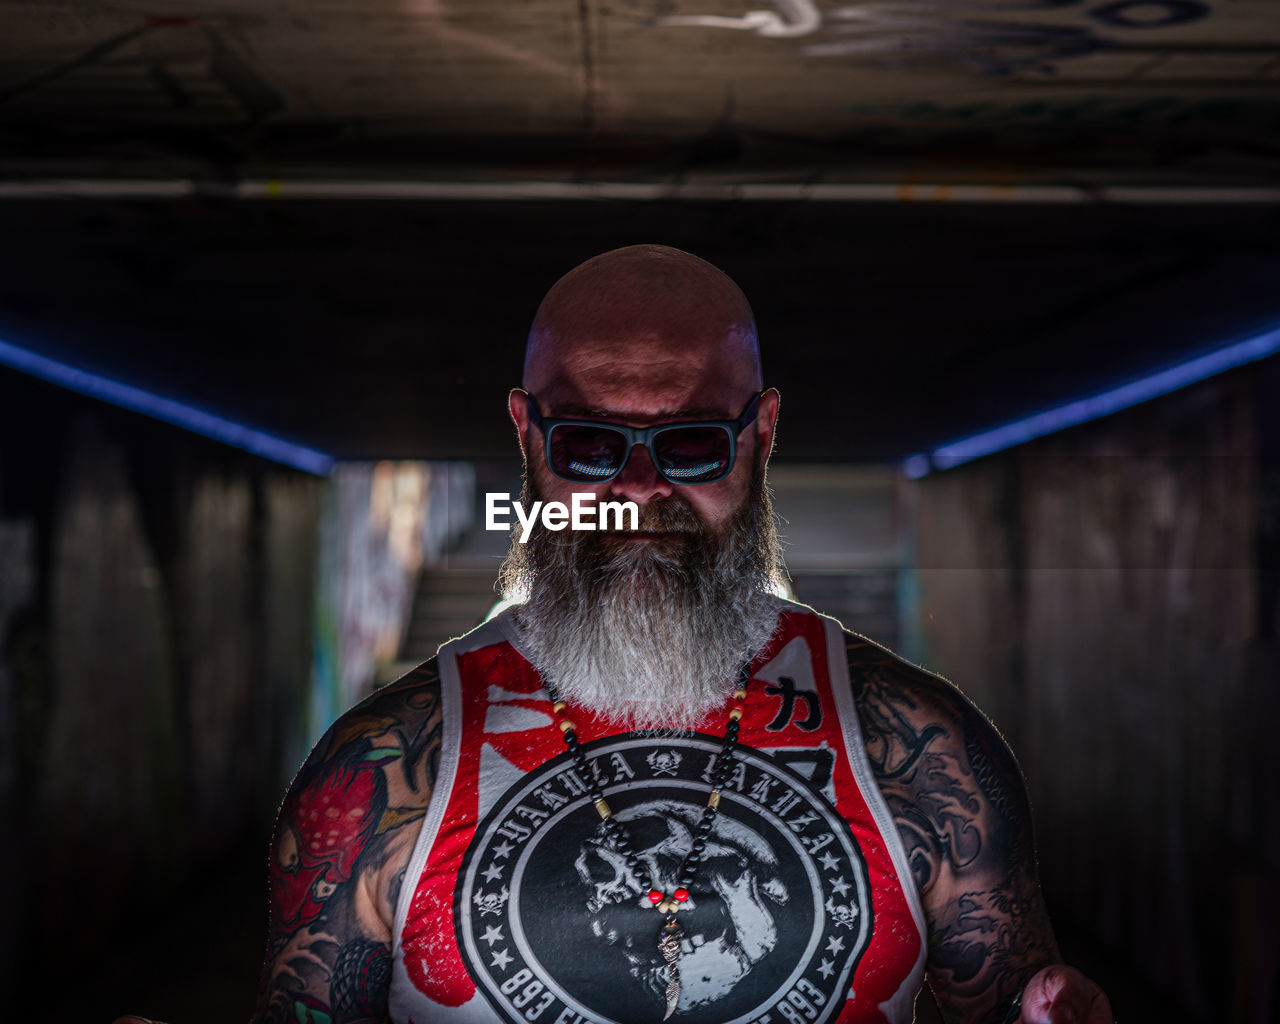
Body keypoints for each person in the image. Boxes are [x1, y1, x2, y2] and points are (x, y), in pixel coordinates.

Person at [248, 244, 1113, 1024]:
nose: (639, 489)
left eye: (692, 443)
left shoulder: (925, 751)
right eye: (588, 443)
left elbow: (1007, 1001)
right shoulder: (379, 764)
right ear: (527, 435)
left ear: (761, 435)